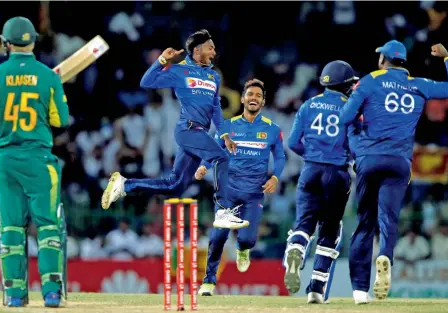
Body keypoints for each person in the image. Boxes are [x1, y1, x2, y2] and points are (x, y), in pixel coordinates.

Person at [340, 41, 448, 304]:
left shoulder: (370, 81)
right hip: (399, 162)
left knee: (365, 223)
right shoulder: (418, 83)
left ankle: (360, 291)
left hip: (370, 159)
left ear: (384, 59)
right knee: (389, 219)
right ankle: (385, 255)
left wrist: (358, 128)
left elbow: (344, 118)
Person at [101, 29, 249, 230]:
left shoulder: (213, 76)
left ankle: (124, 185)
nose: (214, 52)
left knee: (175, 185)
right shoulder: (180, 70)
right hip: (188, 130)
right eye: (210, 48)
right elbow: (146, 82)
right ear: (197, 50)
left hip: (200, 133)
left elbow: (215, 109)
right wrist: (161, 60)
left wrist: (224, 134)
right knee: (222, 158)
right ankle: (223, 212)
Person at [0, 17, 70, 307]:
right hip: (39, 160)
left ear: (6, 42)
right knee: (48, 225)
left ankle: (14, 295)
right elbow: (60, 120)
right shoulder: (48, 77)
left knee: (12, 227)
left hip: (5, 160)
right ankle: (51, 293)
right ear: (33, 41)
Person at [195, 79, 286, 296]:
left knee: (247, 238)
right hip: (228, 191)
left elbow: (280, 156)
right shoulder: (228, 126)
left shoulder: (273, 130)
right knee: (218, 236)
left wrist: (275, 177)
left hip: (254, 193)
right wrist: (203, 167)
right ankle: (208, 281)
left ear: (263, 101)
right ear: (243, 98)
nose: (253, 98)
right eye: (250, 94)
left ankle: (243, 249)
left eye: (258, 95)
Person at [282, 61, 358, 304]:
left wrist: (313, 155)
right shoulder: (351, 107)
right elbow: (357, 146)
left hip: (311, 170)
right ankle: (315, 289)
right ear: (344, 84)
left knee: (304, 224)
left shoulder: (308, 105)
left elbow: (293, 142)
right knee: (330, 229)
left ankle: (296, 250)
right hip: (337, 173)